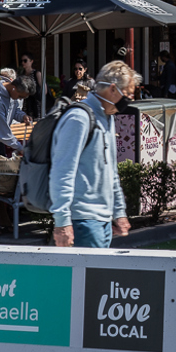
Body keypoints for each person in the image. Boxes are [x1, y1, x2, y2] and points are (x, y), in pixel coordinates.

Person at [50, 61, 137, 248]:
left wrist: (119, 212)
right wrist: (62, 221)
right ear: (113, 89)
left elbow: (112, 171)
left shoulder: (108, 118)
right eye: (128, 93)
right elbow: (61, 171)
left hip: (101, 221)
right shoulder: (79, 119)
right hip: (82, 220)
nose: (130, 98)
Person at [18, 52, 42, 119]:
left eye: (25, 61)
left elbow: (44, 90)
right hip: (25, 103)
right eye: (21, 61)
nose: (23, 63)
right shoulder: (21, 74)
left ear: (31, 61)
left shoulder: (36, 73)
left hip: (35, 103)